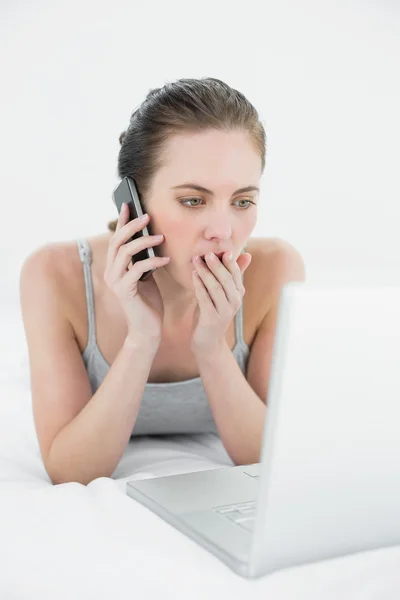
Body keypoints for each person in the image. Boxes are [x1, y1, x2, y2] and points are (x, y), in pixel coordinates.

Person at [19, 77, 305, 486]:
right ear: (132, 204)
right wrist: (141, 338)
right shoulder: (53, 275)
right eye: (193, 200)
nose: (222, 230)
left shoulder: (275, 270)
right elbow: (70, 471)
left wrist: (210, 344)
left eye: (242, 201)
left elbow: (267, 459)